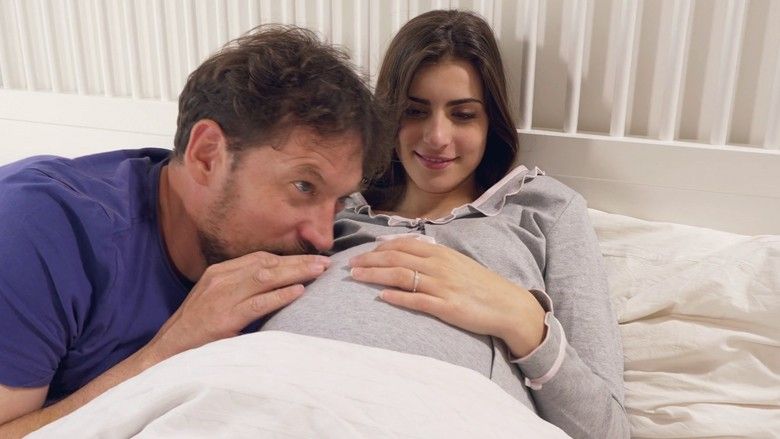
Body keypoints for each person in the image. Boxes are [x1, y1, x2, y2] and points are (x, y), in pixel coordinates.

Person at [0, 25, 391, 436]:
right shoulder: (38, 230)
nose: (323, 237)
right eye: (303, 186)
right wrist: (163, 355)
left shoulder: (301, 248)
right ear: (207, 155)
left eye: (339, 200)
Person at [259, 10, 629, 438]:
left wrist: (524, 319)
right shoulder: (335, 205)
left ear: (491, 122)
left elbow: (606, 429)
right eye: (415, 111)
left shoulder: (544, 210)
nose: (436, 137)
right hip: (271, 391)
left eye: (463, 114)